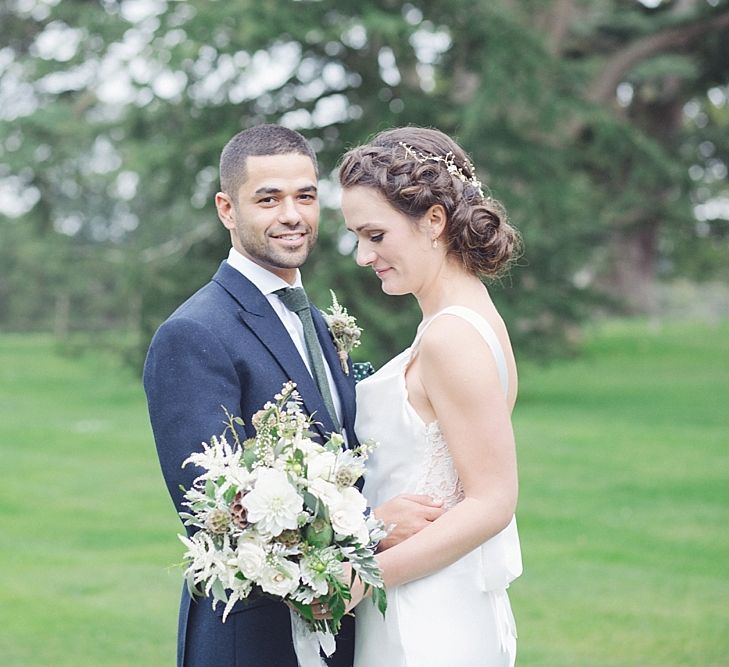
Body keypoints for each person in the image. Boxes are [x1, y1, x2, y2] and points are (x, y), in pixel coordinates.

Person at [143, 124, 444, 667]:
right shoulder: (194, 334)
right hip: (253, 641)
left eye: (305, 196)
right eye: (268, 199)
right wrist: (374, 527)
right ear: (227, 210)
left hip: (340, 625)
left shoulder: (318, 325)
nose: (292, 215)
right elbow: (217, 513)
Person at [334, 126, 523, 667]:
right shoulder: (463, 317)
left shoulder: (451, 336)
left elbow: (492, 501)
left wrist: (357, 578)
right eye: (356, 237)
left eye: (375, 234)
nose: (362, 256)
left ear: (434, 220)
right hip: (428, 590)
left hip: (428, 612)